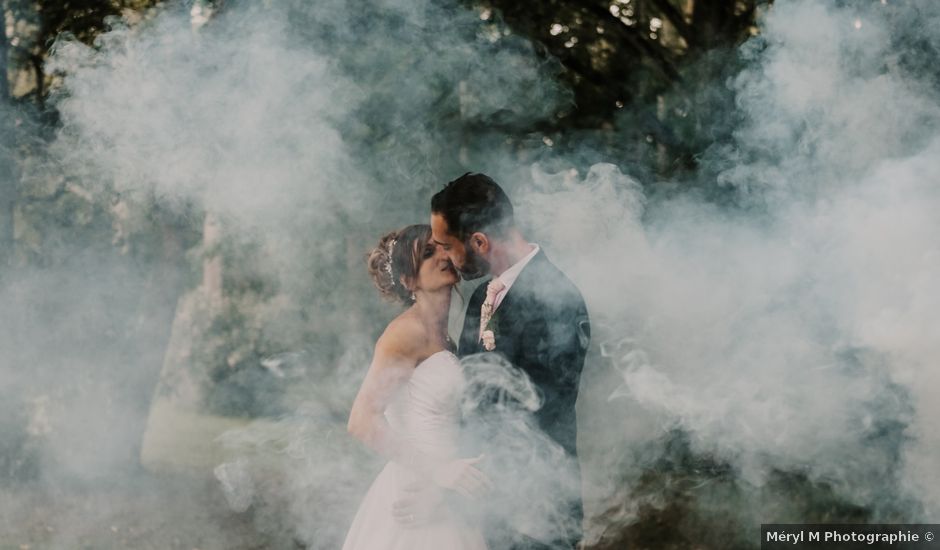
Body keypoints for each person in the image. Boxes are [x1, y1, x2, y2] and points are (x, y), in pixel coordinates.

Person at [429, 172, 591, 550]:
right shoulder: (482, 293)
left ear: (480, 242)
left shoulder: (559, 299)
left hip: (537, 510)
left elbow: (540, 409)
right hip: (485, 506)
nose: (446, 259)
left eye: (446, 246)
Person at [341, 224, 492, 550]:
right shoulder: (404, 334)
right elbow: (361, 420)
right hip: (418, 490)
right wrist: (438, 471)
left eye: (441, 246)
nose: (442, 254)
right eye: (427, 253)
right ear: (409, 281)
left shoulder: (446, 335)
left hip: (450, 492)